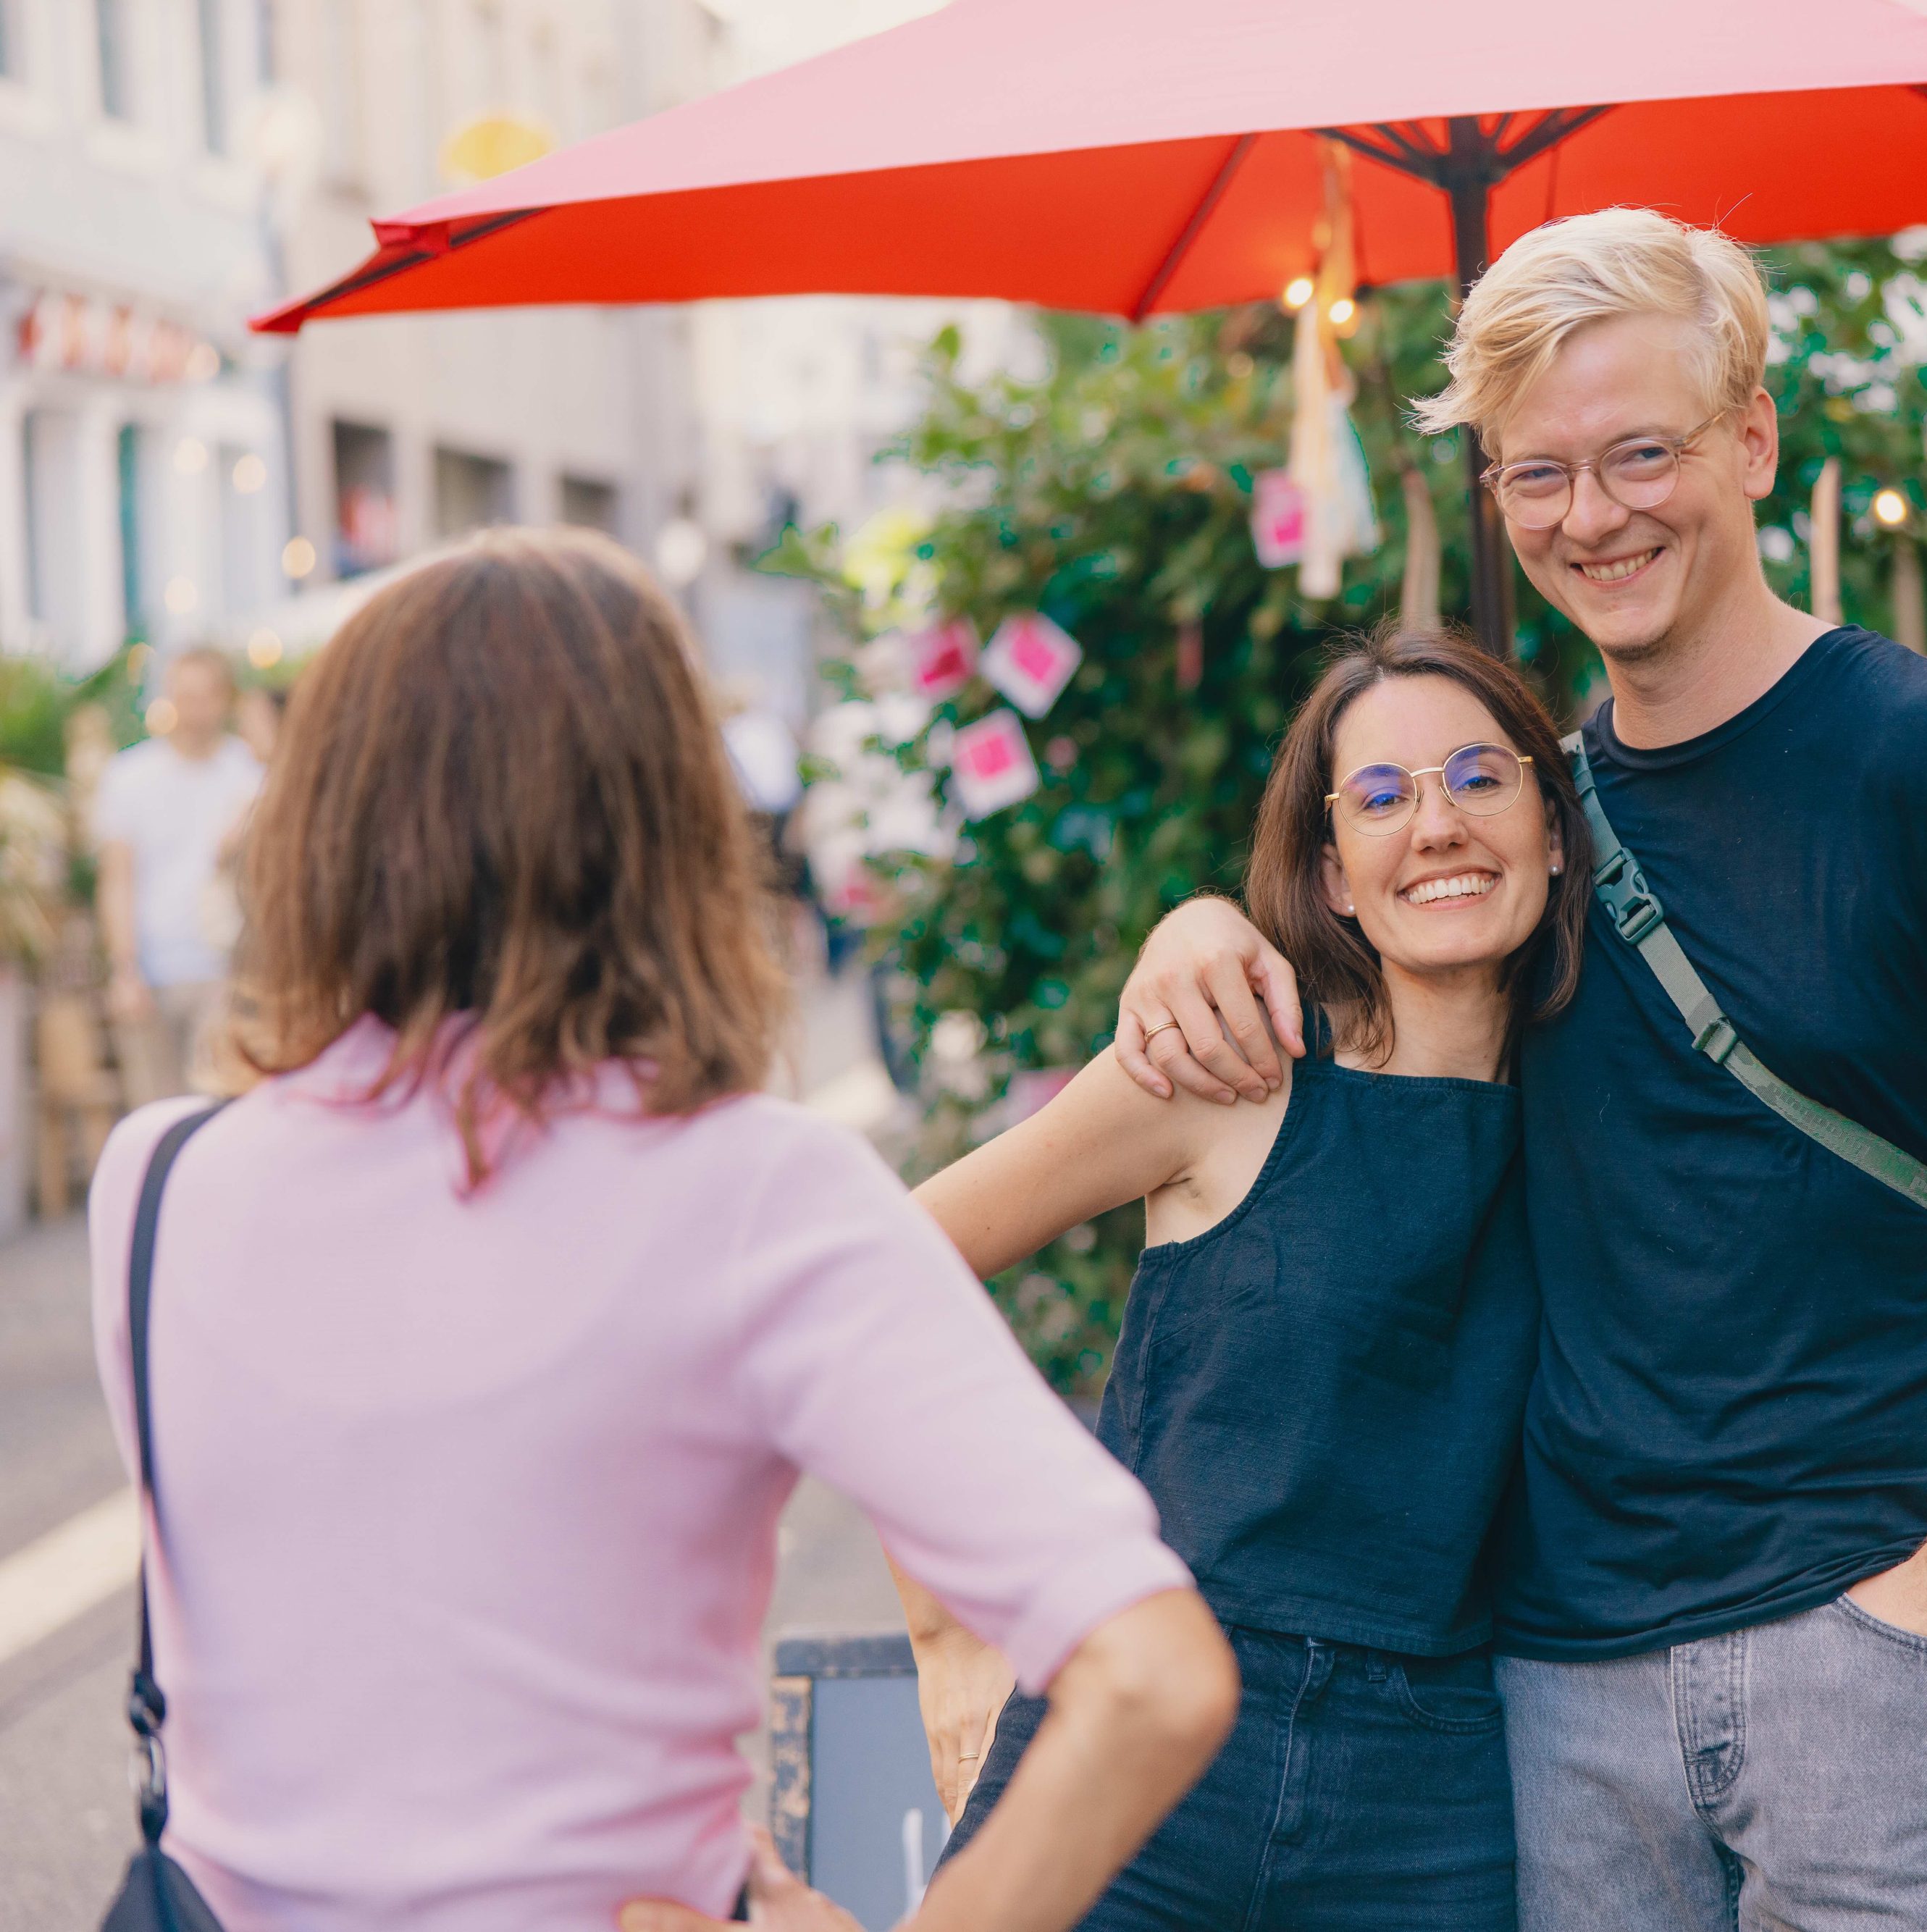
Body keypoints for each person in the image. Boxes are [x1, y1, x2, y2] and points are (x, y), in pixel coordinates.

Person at [1120, 209, 1927, 1931]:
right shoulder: (1523, 818)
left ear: (1752, 439)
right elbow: (1351, 988)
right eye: (1538, 476)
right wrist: (1193, 922)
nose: (1591, 516)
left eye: (1639, 452)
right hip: (1558, 1688)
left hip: (1874, 1666)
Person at [87, 529, 1234, 1932]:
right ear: (668, 822)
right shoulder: (754, 1191)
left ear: (321, 815)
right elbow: (1156, 1670)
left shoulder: (154, 1182)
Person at [900, 625, 1927, 1928]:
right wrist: (949, 1633)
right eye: (1384, 796)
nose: (1438, 823)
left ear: (1560, 827)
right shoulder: (1235, 1075)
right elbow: (881, 1271)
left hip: (1430, 1787)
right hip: (1142, 1728)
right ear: (1334, 873)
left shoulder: (1607, 1110)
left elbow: (1792, 1329)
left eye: (1479, 776)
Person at [93, 647, 263, 1106]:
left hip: (226, 971)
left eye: (206, 696)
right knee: (154, 1113)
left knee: (218, 1111)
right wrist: (124, 968)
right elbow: (117, 879)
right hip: (152, 973)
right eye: (185, 695)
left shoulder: (250, 772)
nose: (195, 708)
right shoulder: (129, 776)